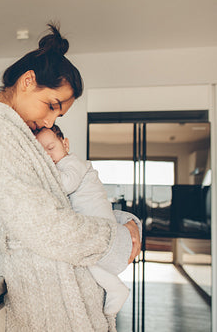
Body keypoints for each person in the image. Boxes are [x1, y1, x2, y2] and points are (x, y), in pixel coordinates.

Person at [0, 22, 141, 331]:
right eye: (51, 105)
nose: (50, 120)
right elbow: (42, 225)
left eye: (58, 115)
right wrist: (115, 239)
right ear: (28, 81)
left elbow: (59, 204)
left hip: (61, 284)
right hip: (49, 295)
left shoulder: (13, 132)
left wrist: (119, 224)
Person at [36, 125, 135, 315]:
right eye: (41, 154)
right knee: (90, 259)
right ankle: (115, 287)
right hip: (92, 218)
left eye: (50, 148)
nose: (47, 156)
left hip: (98, 219)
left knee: (90, 260)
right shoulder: (63, 165)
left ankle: (116, 288)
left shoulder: (73, 163)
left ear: (65, 144)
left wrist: (40, 174)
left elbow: (65, 184)